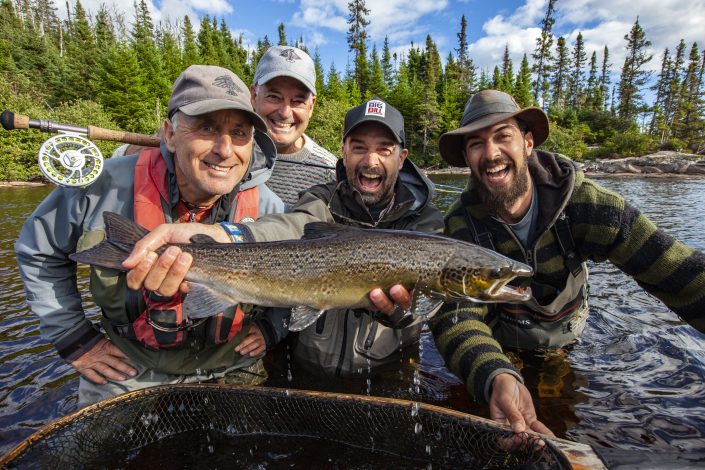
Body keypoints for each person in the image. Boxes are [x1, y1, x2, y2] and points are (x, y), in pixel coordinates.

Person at [122, 97, 552, 436]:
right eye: (359, 147)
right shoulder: (319, 201)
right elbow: (291, 226)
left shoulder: (428, 226)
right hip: (305, 369)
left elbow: (440, 316)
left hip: (388, 372)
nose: (371, 161)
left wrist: (401, 314)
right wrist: (228, 236)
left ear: (402, 157)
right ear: (343, 153)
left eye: (384, 149)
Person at [15, 65, 288, 406]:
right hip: (128, 366)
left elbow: (305, 279)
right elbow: (39, 252)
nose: (225, 149)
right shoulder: (101, 188)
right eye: (206, 128)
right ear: (170, 134)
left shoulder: (271, 208)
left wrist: (272, 327)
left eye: (239, 133)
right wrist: (76, 339)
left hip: (233, 363)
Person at [424, 89, 705, 395]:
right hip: (496, 343)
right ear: (467, 158)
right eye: (476, 144)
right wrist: (494, 375)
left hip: (567, 341)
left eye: (503, 136)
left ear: (527, 143)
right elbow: (456, 315)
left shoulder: (587, 205)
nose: (491, 154)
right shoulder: (459, 224)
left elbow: (682, 275)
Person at [250, 45, 338, 206]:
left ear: (311, 106)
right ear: (254, 96)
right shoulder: (228, 154)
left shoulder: (329, 172)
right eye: (274, 97)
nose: (285, 112)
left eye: (297, 101)